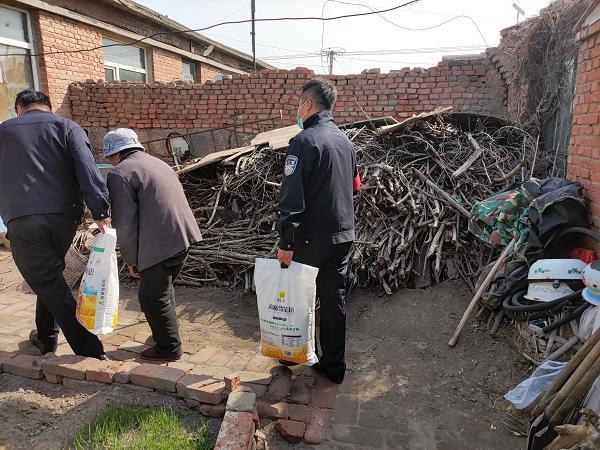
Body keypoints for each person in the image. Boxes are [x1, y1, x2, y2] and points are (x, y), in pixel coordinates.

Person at [0, 90, 111, 359]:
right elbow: (87, 169)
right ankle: (45, 336)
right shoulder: (68, 127)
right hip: (65, 218)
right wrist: (100, 211)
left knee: (48, 281)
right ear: (49, 108)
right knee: (50, 275)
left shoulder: (3, 131)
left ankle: (91, 351)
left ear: (19, 109)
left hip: (23, 218)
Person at [277, 78, 360, 384]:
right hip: (343, 235)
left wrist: (287, 240)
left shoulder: (303, 141)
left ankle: (293, 356)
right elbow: (355, 186)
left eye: (299, 103)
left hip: (311, 238)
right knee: (333, 298)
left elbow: (291, 198)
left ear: (307, 105)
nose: (297, 110)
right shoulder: (345, 141)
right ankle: (334, 365)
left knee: (298, 296)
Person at [105, 128, 202, 362]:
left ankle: (168, 347)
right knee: (163, 290)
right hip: (183, 237)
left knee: (151, 297)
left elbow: (125, 225)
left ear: (115, 154)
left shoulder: (120, 173)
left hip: (158, 243)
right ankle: (166, 335)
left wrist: (131, 260)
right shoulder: (158, 163)